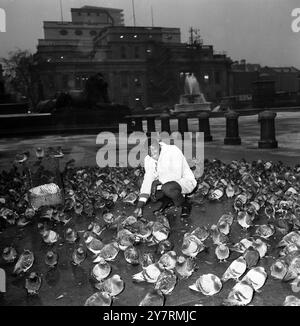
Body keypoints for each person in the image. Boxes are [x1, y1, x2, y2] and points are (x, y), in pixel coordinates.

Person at [134, 137, 197, 219]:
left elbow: (176, 175)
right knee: (141, 181)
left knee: (168, 188)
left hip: (183, 181)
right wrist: (140, 204)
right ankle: (167, 201)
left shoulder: (173, 150)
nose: (152, 154)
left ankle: (185, 204)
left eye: (154, 150)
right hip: (164, 184)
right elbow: (148, 179)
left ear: (159, 146)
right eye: (149, 152)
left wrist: (155, 183)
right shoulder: (148, 159)